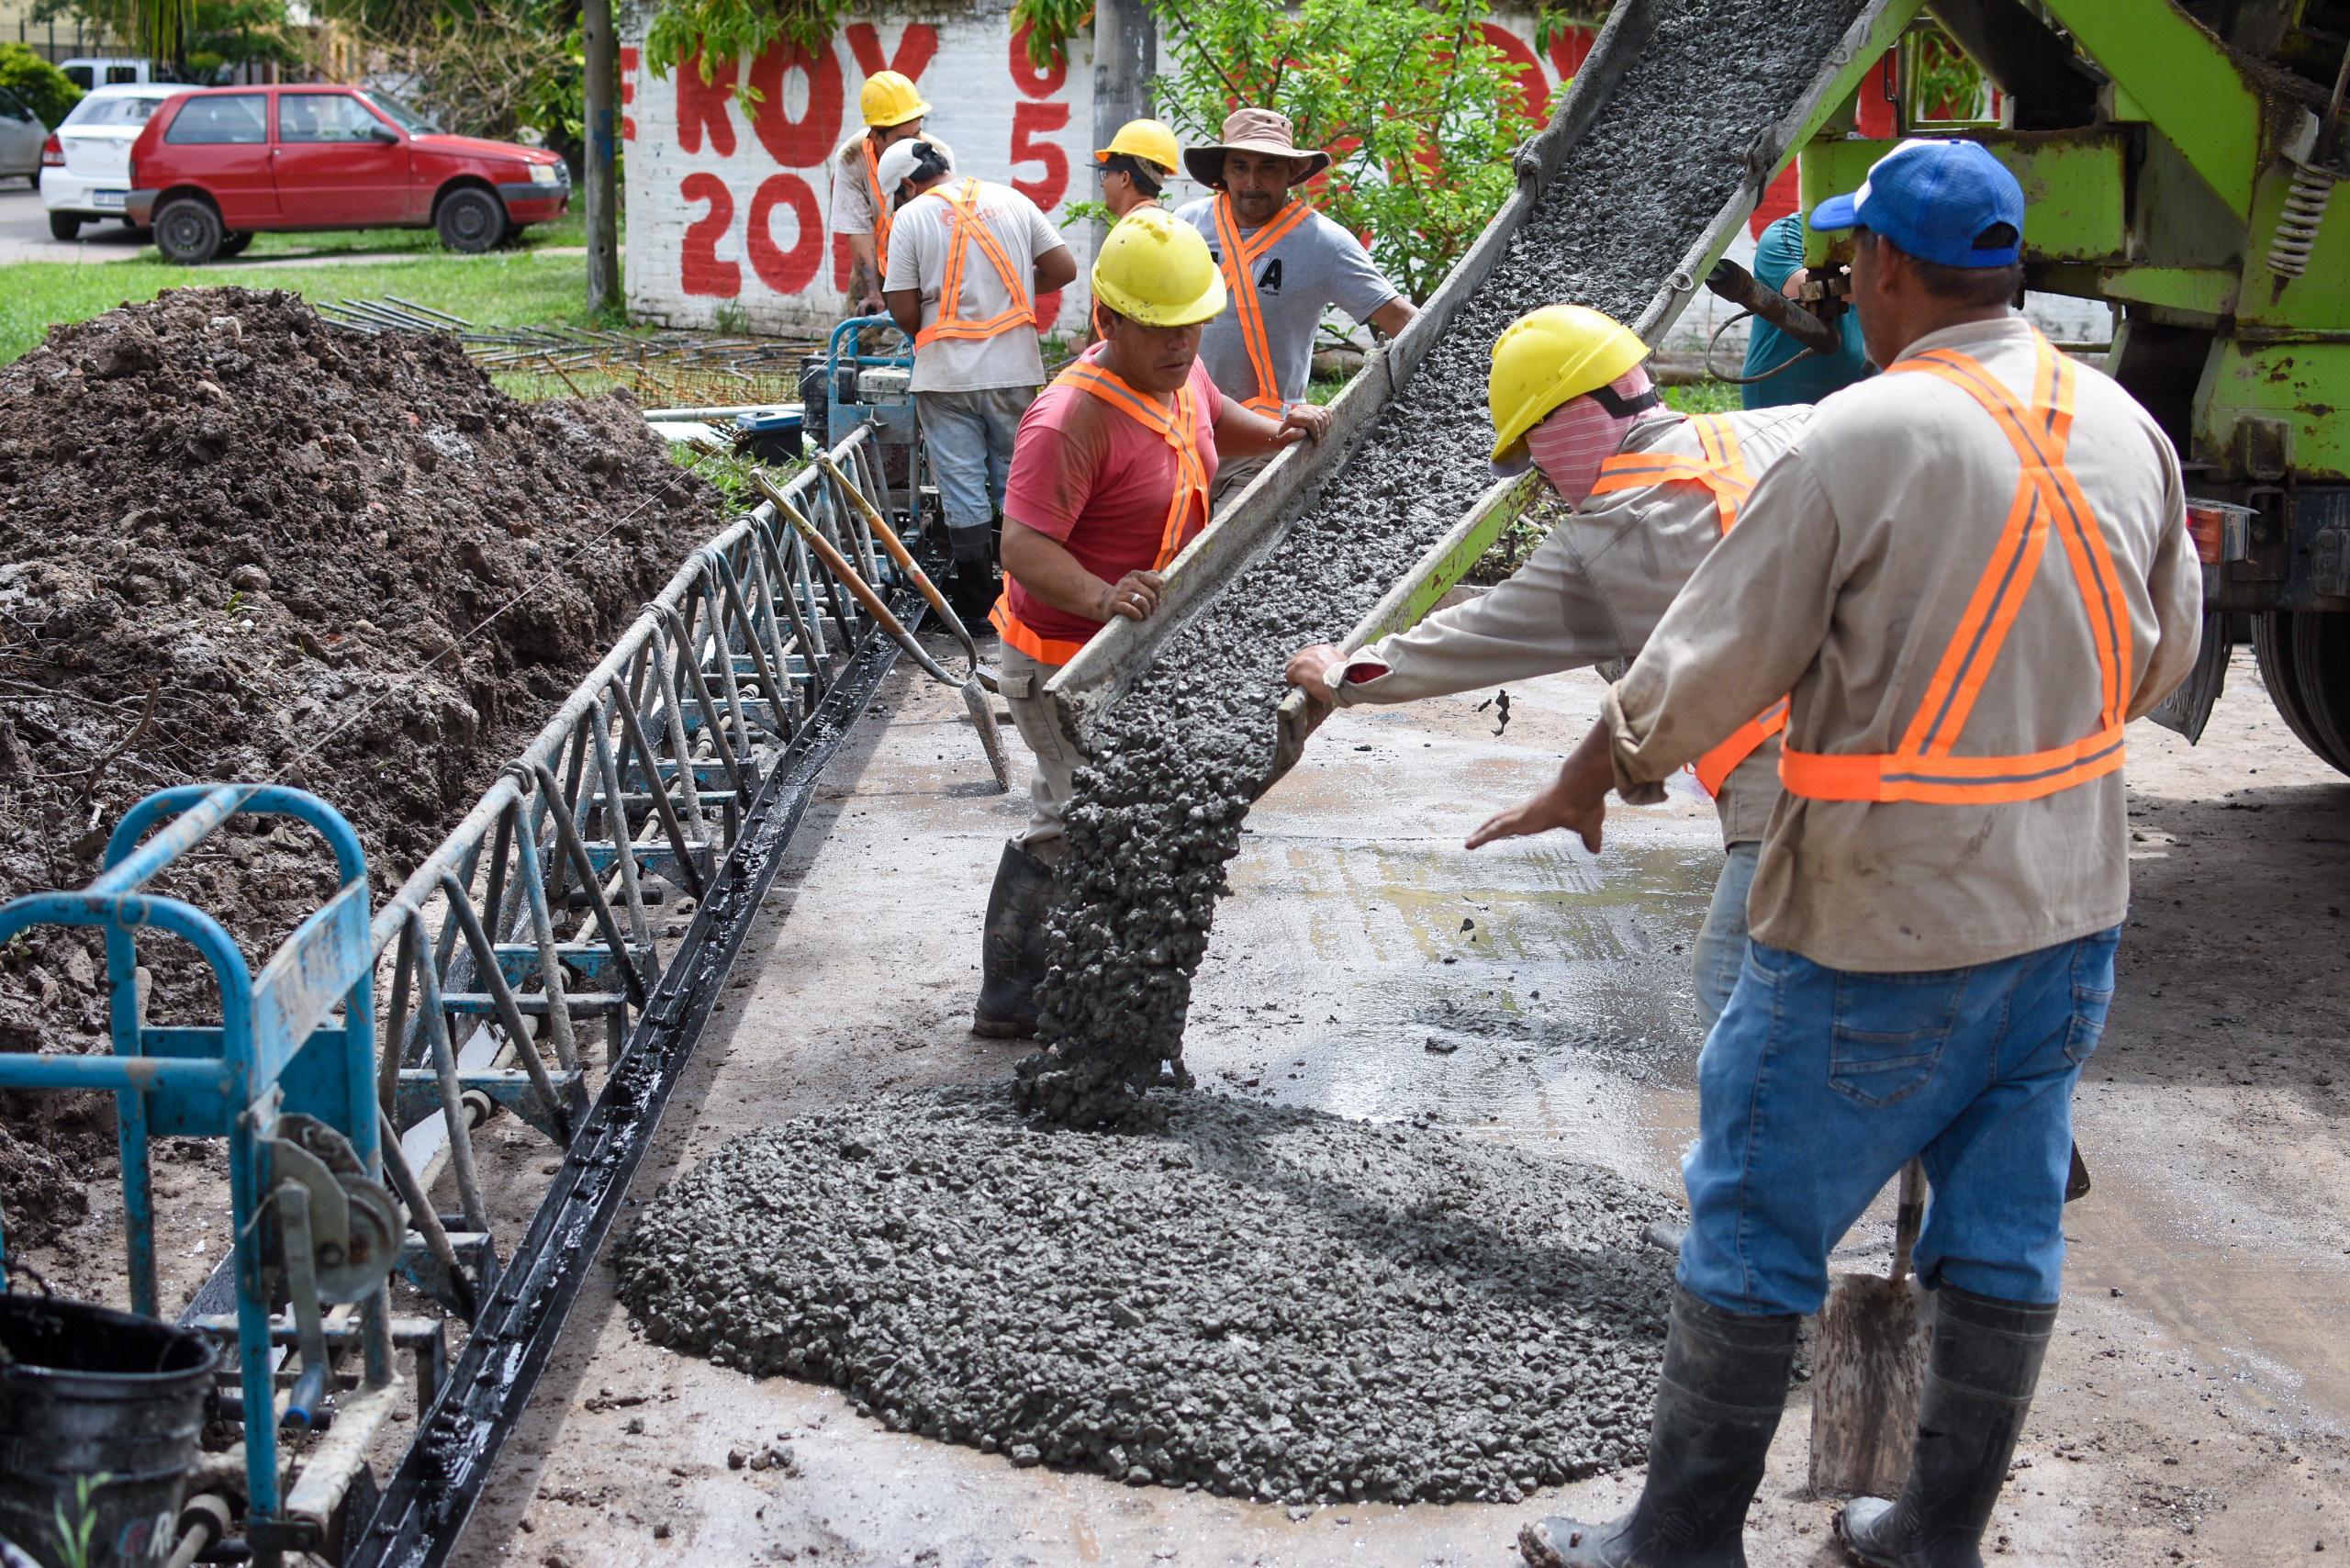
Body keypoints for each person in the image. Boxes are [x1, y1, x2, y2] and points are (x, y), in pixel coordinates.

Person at [1468, 140, 2199, 1568]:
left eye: (1854, 259)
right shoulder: (2124, 425)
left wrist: (1591, 773)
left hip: (1879, 917)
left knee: (1753, 1211)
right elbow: (2163, 657)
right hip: (2069, 916)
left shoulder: (1862, 434)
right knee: (2003, 1226)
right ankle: (1931, 1537)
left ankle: (1680, 1543)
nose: (1846, 281)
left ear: (1888, 271)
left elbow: (1714, 657)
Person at [1286, 304, 1813, 1028]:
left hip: (1797, 790)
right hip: (1933, 741)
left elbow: (1474, 636)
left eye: (1536, 455)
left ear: (1561, 425)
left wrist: (1342, 674)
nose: (1541, 477)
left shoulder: (1601, 545)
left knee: (1740, 1001)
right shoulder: (1785, 427)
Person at [974, 207, 1334, 1037]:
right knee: (1093, 822)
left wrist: (1278, 429)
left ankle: (1040, 991)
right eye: (1162, 329)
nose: (1183, 344)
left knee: (1080, 813)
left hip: (1130, 649)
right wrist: (1102, 595)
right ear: (1109, 321)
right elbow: (1022, 545)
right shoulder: (1069, 420)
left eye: (1193, 325)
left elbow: (1212, 417)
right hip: (1062, 663)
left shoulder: (1179, 372)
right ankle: (1037, 1005)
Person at [1173, 108, 1417, 502]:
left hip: (1267, 443)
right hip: (1181, 430)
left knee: (1232, 541)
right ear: (1224, 171)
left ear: (1292, 172)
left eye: (1268, 168)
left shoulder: (1324, 243)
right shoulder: (1185, 225)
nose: (1252, 182)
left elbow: (1402, 320)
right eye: (1240, 167)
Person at [880, 139, 1078, 622]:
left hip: (946, 376)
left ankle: (977, 603)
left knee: (962, 485)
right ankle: (1028, 597)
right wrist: (1015, 290)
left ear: (907, 185)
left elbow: (903, 308)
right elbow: (1064, 269)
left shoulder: (910, 218)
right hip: (1014, 370)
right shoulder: (1012, 199)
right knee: (1018, 480)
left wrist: (929, 323)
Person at [829, 70, 954, 316]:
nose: (913, 144)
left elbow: (942, 228)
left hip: (923, 255)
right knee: (860, 327)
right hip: (874, 256)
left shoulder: (937, 154)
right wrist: (872, 292)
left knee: (928, 330)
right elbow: (858, 229)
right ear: (876, 136)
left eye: (917, 134)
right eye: (902, 138)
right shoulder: (851, 158)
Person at [1740, 211, 1872, 409]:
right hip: (1782, 394)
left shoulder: (1881, 235)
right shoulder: (1785, 233)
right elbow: (1807, 290)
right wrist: (1885, 264)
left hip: (1859, 393)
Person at [1094, 118, 1181, 220]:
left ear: (1125, 178)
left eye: (1106, 174)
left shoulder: (1130, 228)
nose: (1102, 184)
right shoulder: (1178, 226)